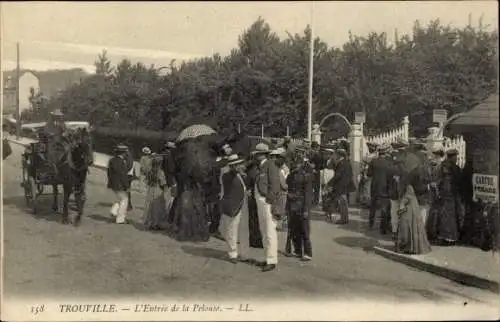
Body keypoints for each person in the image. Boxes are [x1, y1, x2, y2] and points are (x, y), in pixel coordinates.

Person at [394, 143, 432, 255]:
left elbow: (403, 181)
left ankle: (409, 245)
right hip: (414, 197)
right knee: (417, 223)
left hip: (410, 196)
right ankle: (415, 245)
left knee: (408, 222)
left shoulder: (408, 164)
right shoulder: (421, 166)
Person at [253, 143, 281, 272]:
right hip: (261, 200)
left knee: (269, 231)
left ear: (261, 154)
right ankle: (267, 258)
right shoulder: (261, 166)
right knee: (264, 230)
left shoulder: (270, 165)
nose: (256, 156)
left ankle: (272, 260)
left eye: (257, 154)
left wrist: (270, 201)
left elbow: (275, 185)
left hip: (266, 201)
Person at [219, 154, 251, 264]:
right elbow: (231, 180)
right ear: (232, 166)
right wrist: (238, 172)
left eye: (239, 164)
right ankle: (232, 253)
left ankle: (243, 253)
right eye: (237, 165)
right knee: (232, 230)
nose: (240, 166)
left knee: (243, 229)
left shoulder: (239, 175)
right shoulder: (227, 175)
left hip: (242, 204)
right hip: (233, 205)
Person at [286, 151, 314, 261]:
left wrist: (306, 209)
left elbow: (308, 194)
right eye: (295, 162)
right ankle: (297, 250)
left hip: (302, 205)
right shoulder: (291, 175)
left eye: (299, 162)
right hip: (293, 205)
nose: (296, 164)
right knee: (294, 229)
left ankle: (308, 253)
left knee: (304, 230)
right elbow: (287, 186)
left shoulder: (306, 176)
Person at [433, 148, 464, 245]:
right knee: (449, 217)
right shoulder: (450, 167)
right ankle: (448, 238)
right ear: (452, 157)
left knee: (446, 216)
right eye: (455, 157)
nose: (456, 158)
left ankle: (445, 237)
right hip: (449, 195)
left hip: (446, 195)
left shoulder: (444, 166)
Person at [324, 148, 356, 225]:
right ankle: (345, 218)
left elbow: (338, 175)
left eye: (335, 155)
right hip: (344, 185)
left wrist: (329, 183)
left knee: (342, 203)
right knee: (343, 203)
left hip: (341, 186)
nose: (334, 156)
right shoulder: (346, 162)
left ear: (339, 155)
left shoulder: (341, 164)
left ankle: (343, 219)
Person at [367, 143, 392, 234]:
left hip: (374, 186)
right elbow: (391, 176)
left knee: (373, 206)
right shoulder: (389, 162)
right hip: (385, 187)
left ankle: (371, 223)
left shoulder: (373, 161)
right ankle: (383, 228)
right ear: (386, 152)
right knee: (384, 208)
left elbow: (368, 174)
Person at [142, 155, 169, 230]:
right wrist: (166, 187)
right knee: (158, 207)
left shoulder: (150, 171)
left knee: (150, 206)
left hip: (151, 189)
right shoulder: (160, 172)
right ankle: (156, 223)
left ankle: (150, 222)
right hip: (158, 190)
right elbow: (163, 183)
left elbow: (146, 180)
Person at [107, 144, 130, 224]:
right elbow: (123, 175)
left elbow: (109, 173)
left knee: (119, 198)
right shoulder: (122, 162)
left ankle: (114, 211)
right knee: (124, 200)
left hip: (113, 183)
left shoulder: (112, 160)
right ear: (123, 153)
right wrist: (126, 186)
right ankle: (120, 219)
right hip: (120, 184)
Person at [244, 154, 264, 249]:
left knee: (253, 219)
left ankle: (254, 239)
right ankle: (256, 240)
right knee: (255, 219)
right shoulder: (256, 171)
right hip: (254, 197)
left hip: (251, 197)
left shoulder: (250, 171)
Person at [270, 148, 289, 231]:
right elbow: (283, 183)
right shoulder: (278, 169)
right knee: (280, 208)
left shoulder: (283, 168)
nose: (274, 158)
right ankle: (278, 225)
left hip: (280, 191)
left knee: (280, 208)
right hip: (280, 191)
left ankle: (278, 225)